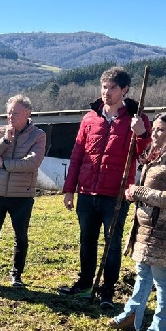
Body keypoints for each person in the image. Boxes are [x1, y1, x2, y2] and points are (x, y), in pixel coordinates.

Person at [59, 66, 151, 308]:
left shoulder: (136, 120)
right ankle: (85, 283)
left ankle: (107, 291)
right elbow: (78, 154)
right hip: (87, 192)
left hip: (115, 194)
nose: (106, 92)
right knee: (86, 239)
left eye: (112, 88)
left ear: (125, 90)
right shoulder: (90, 118)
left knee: (112, 243)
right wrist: (70, 189)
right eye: (104, 87)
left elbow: (145, 156)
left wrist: (141, 134)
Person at [0, 94, 46, 289]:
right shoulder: (0, 131)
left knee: (20, 237)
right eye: (9, 112)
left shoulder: (38, 135)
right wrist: (4, 141)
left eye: (16, 112)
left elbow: (32, 162)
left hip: (22, 196)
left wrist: (4, 164)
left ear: (27, 113)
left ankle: (16, 276)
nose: (11, 116)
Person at [108, 112, 166, 331]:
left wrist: (140, 192)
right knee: (143, 273)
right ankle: (132, 316)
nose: (156, 133)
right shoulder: (154, 155)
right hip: (145, 228)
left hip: (162, 231)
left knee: (163, 283)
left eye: (161, 130)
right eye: (155, 129)